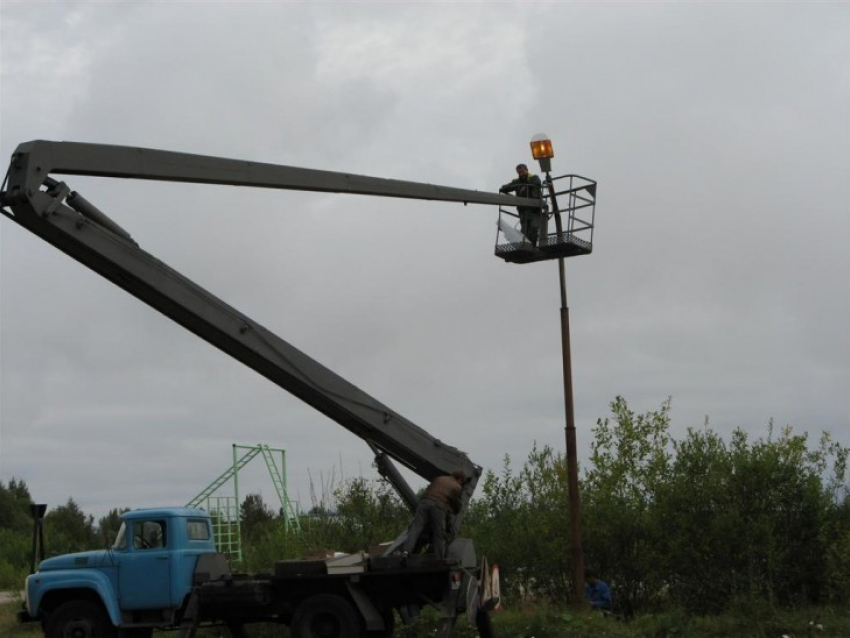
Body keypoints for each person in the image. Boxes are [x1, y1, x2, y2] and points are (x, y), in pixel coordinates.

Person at [402, 470, 465, 559]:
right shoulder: (457, 487)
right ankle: (438, 559)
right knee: (439, 533)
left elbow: (428, 489)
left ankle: (406, 552)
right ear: (461, 479)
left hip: (424, 503)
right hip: (438, 506)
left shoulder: (439, 478)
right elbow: (457, 507)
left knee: (415, 528)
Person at [499, 163, 543, 245]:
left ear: (527, 170)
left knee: (534, 227)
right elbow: (506, 187)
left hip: (534, 209)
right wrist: (505, 190)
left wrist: (525, 187)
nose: (521, 174)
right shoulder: (517, 182)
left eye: (522, 172)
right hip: (523, 210)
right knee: (525, 229)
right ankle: (526, 245)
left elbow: (537, 183)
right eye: (519, 173)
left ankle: (532, 245)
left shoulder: (534, 178)